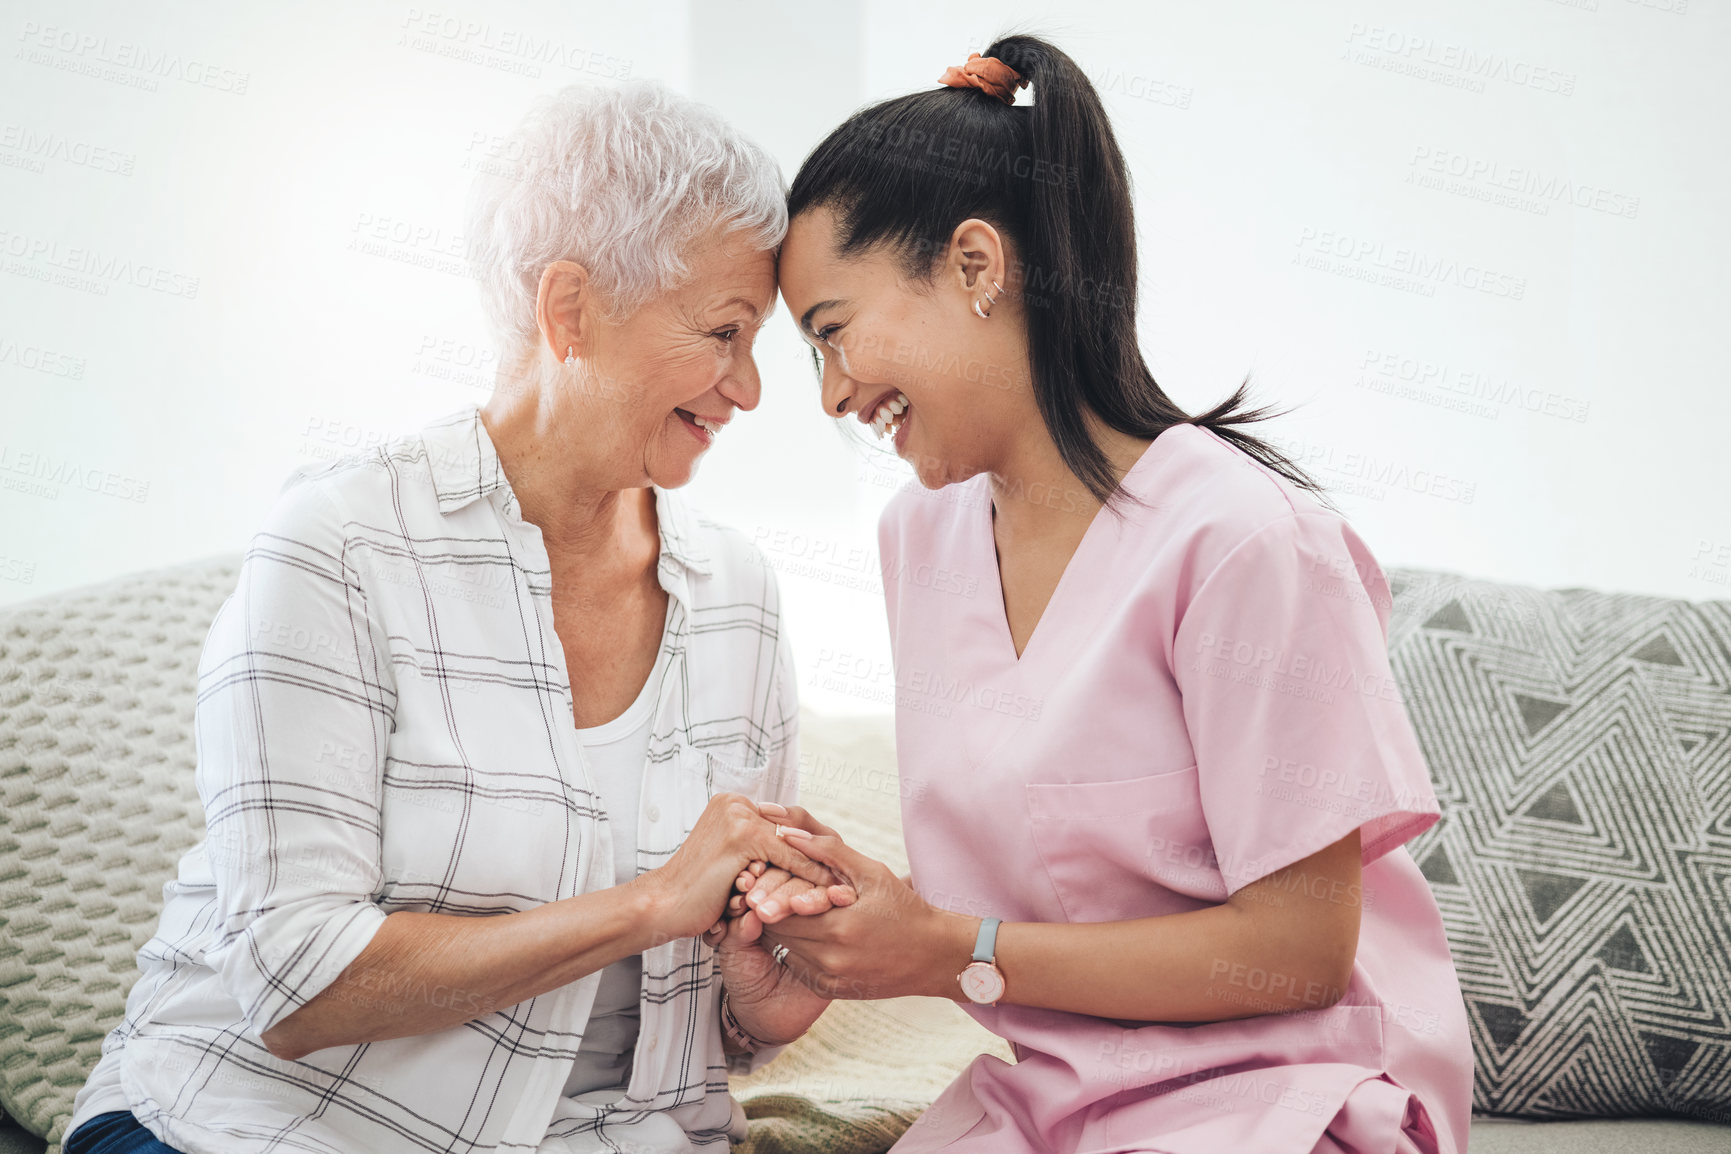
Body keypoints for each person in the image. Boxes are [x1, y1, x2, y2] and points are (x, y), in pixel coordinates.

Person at [64, 80, 844, 1154]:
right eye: (723, 331)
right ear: (569, 307)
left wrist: (762, 998)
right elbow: (293, 977)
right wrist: (647, 903)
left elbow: (694, 1017)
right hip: (268, 1124)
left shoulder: (740, 600)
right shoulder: (340, 543)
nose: (749, 388)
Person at [744, 34, 1474, 1154]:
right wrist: (869, 920)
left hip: (1288, 1093)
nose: (834, 393)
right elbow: (1021, 894)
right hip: (1065, 1095)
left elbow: (1298, 950)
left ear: (977, 266)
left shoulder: (1246, 542)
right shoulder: (921, 539)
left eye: (832, 332)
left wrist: (947, 945)